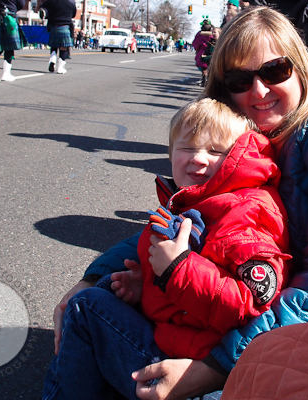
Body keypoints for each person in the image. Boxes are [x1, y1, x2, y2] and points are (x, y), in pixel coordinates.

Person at [51, 6, 308, 399]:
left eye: (275, 71)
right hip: (273, 318)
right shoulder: (260, 138)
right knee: (102, 292)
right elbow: (194, 224)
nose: (258, 91)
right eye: (240, 80)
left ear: (300, 67)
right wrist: (95, 274)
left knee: (88, 313)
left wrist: (211, 369)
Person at [43, 97, 292, 399]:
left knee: (87, 306)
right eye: (187, 147)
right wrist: (148, 287)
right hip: (183, 339)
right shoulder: (204, 198)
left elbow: (250, 304)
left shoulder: (246, 211)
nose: (198, 159)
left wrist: (177, 270)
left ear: (239, 156)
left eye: (216, 151)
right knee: (109, 285)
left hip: (200, 372)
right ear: (171, 152)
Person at [0, 0, 28, 81]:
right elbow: (21, 3)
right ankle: (6, 73)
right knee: (10, 47)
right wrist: (13, 8)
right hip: (10, 16)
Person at [37, 0, 75, 74]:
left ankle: (52, 60)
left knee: (54, 46)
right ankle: (60, 68)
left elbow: (42, 8)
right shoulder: (71, 2)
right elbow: (73, 14)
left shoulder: (51, 1)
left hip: (53, 26)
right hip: (65, 25)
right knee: (63, 48)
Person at [193, 19, 213, 87]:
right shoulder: (212, 33)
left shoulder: (199, 34)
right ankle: (207, 80)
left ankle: (204, 80)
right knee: (210, 67)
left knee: (203, 68)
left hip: (202, 52)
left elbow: (195, 43)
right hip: (211, 52)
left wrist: (197, 50)